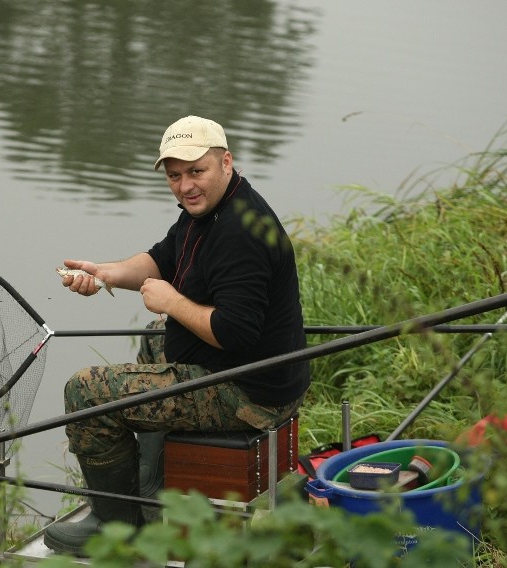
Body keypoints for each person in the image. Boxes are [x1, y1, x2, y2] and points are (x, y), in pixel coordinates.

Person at [43, 115, 310, 555]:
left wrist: (171, 302)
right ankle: (152, 481)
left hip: (249, 394)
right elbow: (160, 260)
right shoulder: (207, 210)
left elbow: (236, 333)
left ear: (226, 162)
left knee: (86, 391)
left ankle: (118, 527)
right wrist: (107, 272)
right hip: (248, 370)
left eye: (196, 172)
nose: (185, 186)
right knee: (154, 336)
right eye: (174, 176)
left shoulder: (239, 233)